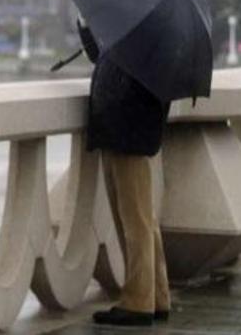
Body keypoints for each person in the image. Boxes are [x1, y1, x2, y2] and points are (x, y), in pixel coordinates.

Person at [77, 19, 171, 327]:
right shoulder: (134, 27)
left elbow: (128, 78)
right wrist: (87, 26)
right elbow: (102, 58)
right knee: (141, 218)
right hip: (120, 131)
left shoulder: (145, 30)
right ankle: (156, 295)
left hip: (128, 132)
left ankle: (138, 301)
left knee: (135, 220)